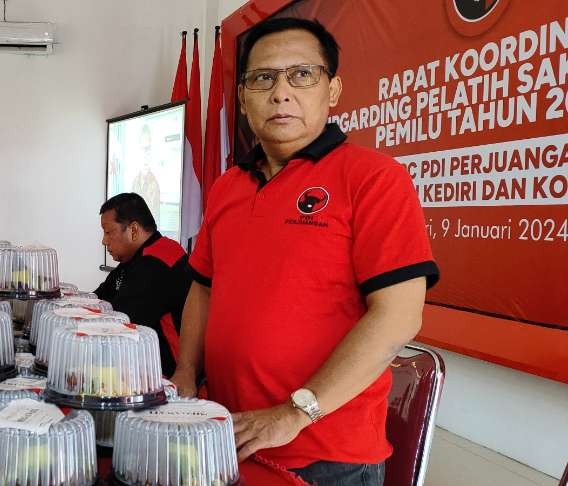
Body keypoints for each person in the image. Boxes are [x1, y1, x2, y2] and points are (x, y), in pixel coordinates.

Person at [170, 18, 439, 486]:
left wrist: (295, 413)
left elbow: (398, 317)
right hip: (227, 433)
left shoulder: (374, 179)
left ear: (332, 90)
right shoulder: (229, 186)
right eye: (263, 77)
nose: (280, 92)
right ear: (243, 97)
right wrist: (186, 374)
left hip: (328, 458)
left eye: (302, 74)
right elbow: (204, 288)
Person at [93, 192, 191, 376]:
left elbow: (118, 323)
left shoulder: (157, 262)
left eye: (108, 232)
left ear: (134, 230)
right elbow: (97, 300)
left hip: (169, 377)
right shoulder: (134, 259)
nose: (104, 241)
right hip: (143, 368)